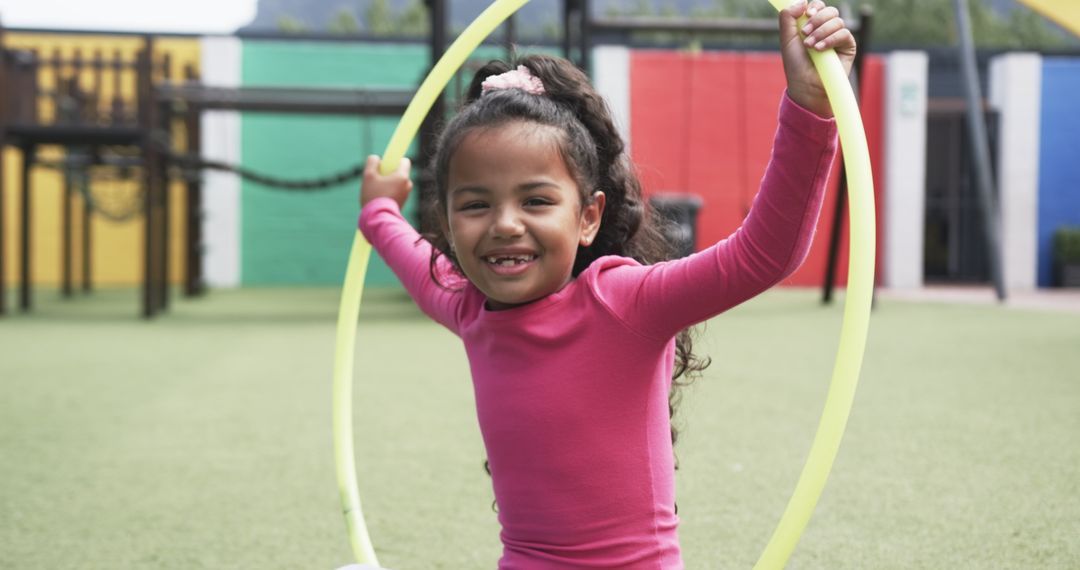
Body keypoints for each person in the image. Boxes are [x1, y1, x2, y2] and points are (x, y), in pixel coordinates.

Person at [357, 1, 855, 567]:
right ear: (446, 221)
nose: (504, 224)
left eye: (536, 200)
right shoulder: (468, 307)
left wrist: (810, 106)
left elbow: (763, 254)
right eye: (475, 205)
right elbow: (411, 253)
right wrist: (379, 212)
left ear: (588, 216)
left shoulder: (623, 302)